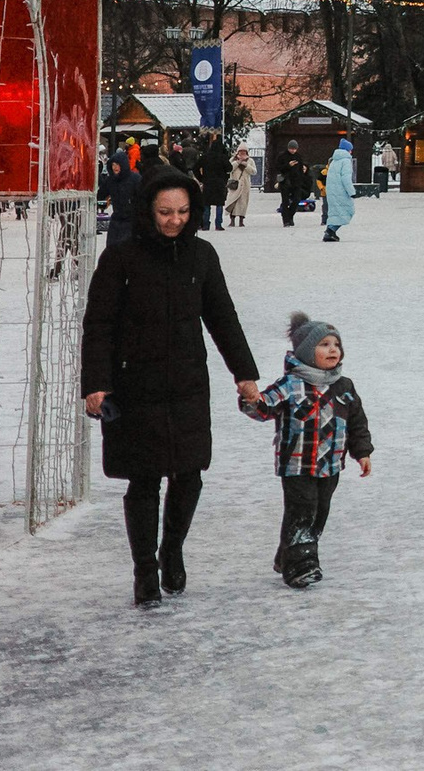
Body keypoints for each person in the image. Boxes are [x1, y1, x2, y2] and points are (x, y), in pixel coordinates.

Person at [80, 167, 261, 609]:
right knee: (143, 481)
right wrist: (96, 383)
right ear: (148, 210)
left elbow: (222, 317)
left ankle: (172, 549)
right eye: (164, 211)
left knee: (189, 474)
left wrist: (244, 373)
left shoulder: (202, 256)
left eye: (182, 211)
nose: (174, 220)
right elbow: (98, 326)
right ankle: (144, 569)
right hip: (133, 384)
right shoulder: (119, 259)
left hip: (186, 383)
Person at [245, 311, 374, 589]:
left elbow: (357, 422)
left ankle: (288, 554)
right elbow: (264, 408)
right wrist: (252, 399)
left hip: (331, 465)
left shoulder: (343, 386)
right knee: (302, 510)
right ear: (305, 352)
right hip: (297, 465)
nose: (332, 350)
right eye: (324, 344)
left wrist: (362, 452)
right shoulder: (291, 385)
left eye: (335, 344)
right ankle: (301, 567)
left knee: (319, 513)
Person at [322, 137, 357, 242]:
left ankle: (330, 231)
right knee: (348, 210)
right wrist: (352, 192)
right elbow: (346, 178)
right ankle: (330, 231)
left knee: (336, 212)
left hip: (333, 191)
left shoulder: (334, 161)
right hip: (341, 192)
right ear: (347, 150)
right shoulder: (346, 161)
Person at [275, 139, 312, 228]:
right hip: (285, 182)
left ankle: (290, 216)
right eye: (291, 149)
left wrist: (304, 171)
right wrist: (288, 165)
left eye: (294, 149)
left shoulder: (298, 156)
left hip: (296, 182)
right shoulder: (282, 156)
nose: (293, 150)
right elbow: (278, 168)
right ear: (288, 148)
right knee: (285, 201)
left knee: (296, 200)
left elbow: (301, 169)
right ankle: (286, 220)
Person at [197, 139, 232, 231]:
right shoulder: (222, 157)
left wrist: (201, 178)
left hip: (207, 182)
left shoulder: (205, 157)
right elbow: (230, 168)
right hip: (220, 183)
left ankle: (205, 224)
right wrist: (225, 177)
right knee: (219, 204)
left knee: (206, 204)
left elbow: (195, 167)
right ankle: (218, 224)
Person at [225, 147, 251, 228]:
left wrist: (246, 165)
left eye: (244, 152)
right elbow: (229, 169)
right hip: (235, 184)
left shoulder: (250, 161)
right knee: (232, 201)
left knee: (243, 203)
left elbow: (254, 171)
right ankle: (232, 220)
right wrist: (237, 162)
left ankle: (241, 220)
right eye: (241, 152)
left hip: (245, 185)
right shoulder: (232, 160)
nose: (242, 154)